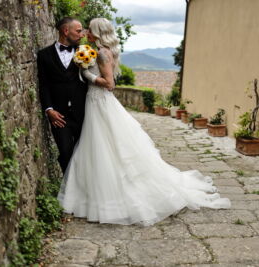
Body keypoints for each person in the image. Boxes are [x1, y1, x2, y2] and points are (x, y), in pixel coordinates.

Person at [57, 18, 231, 226]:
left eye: (90, 29)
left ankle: (109, 198)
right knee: (97, 147)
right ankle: (94, 194)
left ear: (97, 32)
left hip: (100, 102)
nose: (87, 32)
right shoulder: (95, 50)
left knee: (106, 146)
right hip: (94, 103)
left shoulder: (103, 53)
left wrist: (87, 74)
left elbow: (110, 84)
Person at [37, 17, 88, 173]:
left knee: (85, 153)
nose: (82, 35)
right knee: (65, 152)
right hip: (59, 115)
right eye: (78, 31)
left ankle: (83, 186)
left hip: (84, 113)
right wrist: (49, 110)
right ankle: (69, 189)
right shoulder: (44, 55)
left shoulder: (85, 52)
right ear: (66, 31)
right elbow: (44, 84)